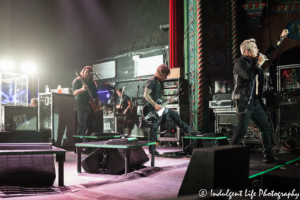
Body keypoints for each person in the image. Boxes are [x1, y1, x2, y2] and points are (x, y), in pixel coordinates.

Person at [231, 29, 289, 165]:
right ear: (247, 51)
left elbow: (269, 50)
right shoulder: (240, 63)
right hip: (244, 102)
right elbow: (249, 76)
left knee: (266, 127)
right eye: (255, 48)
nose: (258, 50)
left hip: (255, 102)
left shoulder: (255, 60)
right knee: (241, 131)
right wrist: (259, 64)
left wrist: (280, 38)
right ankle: (227, 158)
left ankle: (269, 157)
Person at [144, 64, 199, 155]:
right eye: (165, 76)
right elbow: (146, 95)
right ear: (160, 73)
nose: (165, 78)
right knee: (154, 128)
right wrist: (155, 105)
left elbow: (157, 95)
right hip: (152, 109)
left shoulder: (157, 82)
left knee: (174, 114)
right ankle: (152, 150)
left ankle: (190, 132)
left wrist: (166, 99)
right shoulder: (152, 80)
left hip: (158, 108)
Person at [72, 66, 100, 141]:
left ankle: (87, 144)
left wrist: (97, 106)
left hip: (90, 106)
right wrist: (82, 89)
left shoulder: (92, 84)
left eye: (89, 72)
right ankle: (79, 145)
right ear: (83, 72)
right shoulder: (78, 81)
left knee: (92, 125)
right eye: (86, 72)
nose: (87, 74)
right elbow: (74, 93)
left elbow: (96, 96)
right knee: (82, 125)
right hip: (81, 105)